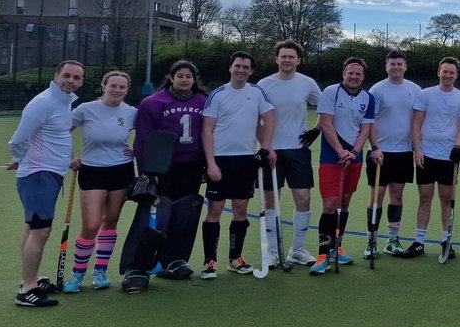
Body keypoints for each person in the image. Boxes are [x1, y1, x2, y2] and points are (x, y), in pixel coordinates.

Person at [7, 60, 85, 307]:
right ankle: (27, 289)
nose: (71, 81)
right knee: (40, 230)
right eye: (67, 76)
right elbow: (17, 140)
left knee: (34, 228)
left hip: (50, 173)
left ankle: (31, 280)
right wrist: (20, 159)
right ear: (56, 76)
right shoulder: (43, 103)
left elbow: (55, 137)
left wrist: (68, 161)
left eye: (76, 77)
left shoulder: (64, 103)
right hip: (39, 174)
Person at [200, 51, 275, 278]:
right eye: (238, 66)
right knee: (215, 209)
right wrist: (211, 164)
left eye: (246, 67)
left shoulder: (257, 92)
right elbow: (206, 130)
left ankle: (235, 258)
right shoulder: (218, 94)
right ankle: (209, 261)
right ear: (230, 68)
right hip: (221, 159)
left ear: (251, 71)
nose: (241, 70)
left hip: (245, 159)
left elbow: (269, 119)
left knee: (240, 209)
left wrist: (265, 147)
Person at [133, 60, 208, 280]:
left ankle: (176, 260)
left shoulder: (204, 101)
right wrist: (145, 170)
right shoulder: (152, 102)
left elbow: (209, 134)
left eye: (188, 76)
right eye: (180, 76)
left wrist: (206, 163)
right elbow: (143, 138)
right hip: (164, 167)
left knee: (186, 214)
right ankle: (145, 261)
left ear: (194, 79)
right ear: (171, 77)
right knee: (161, 214)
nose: (184, 79)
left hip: (192, 165)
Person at [63, 70, 136, 292]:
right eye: (113, 85)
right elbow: (61, 132)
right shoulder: (86, 109)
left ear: (127, 90)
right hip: (93, 170)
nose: (117, 90)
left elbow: (147, 134)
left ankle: (100, 271)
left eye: (122, 87)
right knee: (91, 225)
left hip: (121, 171)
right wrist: (69, 158)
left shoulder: (132, 112)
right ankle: (77, 275)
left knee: (111, 220)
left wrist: (139, 148)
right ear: (104, 86)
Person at [256, 40, 322, 267]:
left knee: (303, 198)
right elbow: (257, 118)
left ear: (298, 60)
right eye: (283, 56)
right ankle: (273, 251)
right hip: (271, 151)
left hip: (298, 150)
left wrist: (317, 129)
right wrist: (266, 146)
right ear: (276, 58)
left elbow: (325, 108)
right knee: (271, 201)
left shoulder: (307, 83)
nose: (287, 60)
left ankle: (297, 249)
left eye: (291, 57)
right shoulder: (264, 84)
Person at [311, 57, 376, 274]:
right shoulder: (331, 92)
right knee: (330, 204)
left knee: (345, 203)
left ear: (363, 76)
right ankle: (322, 253)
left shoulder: (369, 98)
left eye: (358, 73)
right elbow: (326, 124)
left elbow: (365, 130)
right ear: (344, 73)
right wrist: (340, 151)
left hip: (354, 157)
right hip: (332, 156)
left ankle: (336, 247)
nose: (354, 76)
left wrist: (355, 152)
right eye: (350, 72)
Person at [408, 57, 460, 258]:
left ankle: (446, 240)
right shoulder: (425, 94)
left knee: (446, 199)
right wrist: (417, 149)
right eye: (445, 71)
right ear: (438, 72)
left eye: (451, 72)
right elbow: (416, 123)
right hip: (426, 155)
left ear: (456, 75)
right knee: (425, 197)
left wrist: (457, 146)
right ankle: (419, 242)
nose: (447, 75)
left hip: (448, 157)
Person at [368, 49, 423, 257]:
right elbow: (369, 121)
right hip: (380, 153)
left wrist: (416, 147)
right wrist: (375, 147)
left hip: (403, 153)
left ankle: (392, 240)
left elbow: (419, 120)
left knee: (397, 196)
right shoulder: (377, 89)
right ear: (386, 66)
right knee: (376, 197)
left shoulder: (415, 90)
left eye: (399, 64)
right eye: (392, 64)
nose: (396, 67)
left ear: (405, 66)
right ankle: (371, 240)